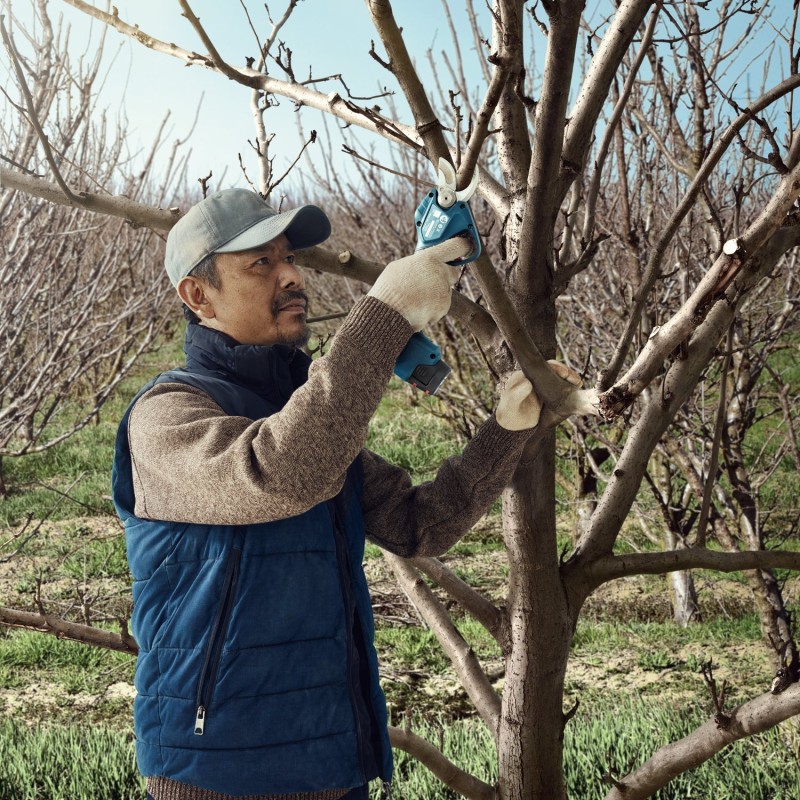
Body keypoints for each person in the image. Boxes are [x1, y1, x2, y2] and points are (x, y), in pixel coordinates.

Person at [112, 188, 572, 800]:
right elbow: (278, 473)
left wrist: (506, 432)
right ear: (198, 296)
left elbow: (418, 525)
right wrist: (382, 318)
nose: (291, 275)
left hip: (333, 760)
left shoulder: (304, 417)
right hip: (217, 770)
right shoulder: (167, 415)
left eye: (289, 258)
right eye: (261, 263)